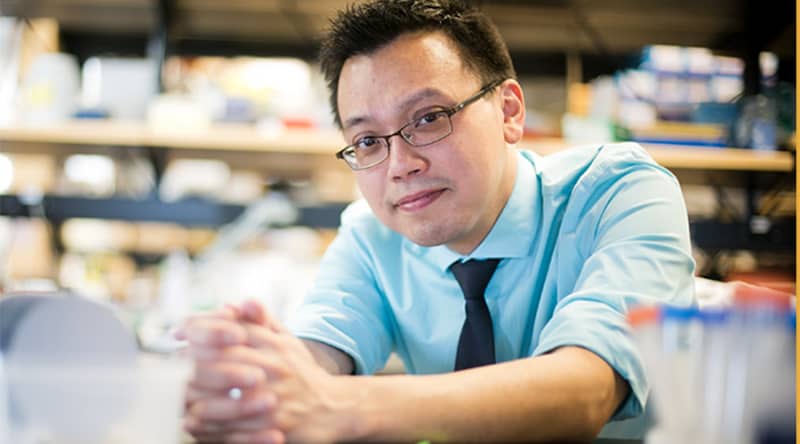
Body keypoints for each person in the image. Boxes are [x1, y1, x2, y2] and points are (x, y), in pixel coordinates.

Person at [179, 0, 696, 442]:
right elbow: (322, 348)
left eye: (428, 118)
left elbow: (588, 390)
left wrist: (340, 406)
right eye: (367, 141)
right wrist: (258, 381)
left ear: (509, 111)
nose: (401, 165)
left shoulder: (619, 193)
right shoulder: (371, 233)